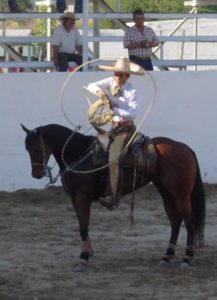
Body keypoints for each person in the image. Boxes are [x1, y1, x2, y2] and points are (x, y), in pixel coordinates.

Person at [87, 57, 145, 211]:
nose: (117, 77)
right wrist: (101, 93)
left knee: (113, 159)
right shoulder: (110, 82)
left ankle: (113, 197)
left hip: (126, 129)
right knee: (96, 151)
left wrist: (114, 108)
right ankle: (99, 188)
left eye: (121, 74)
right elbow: (91, 86)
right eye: (116, 73)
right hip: (114, 127)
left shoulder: (132, 92)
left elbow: (132, 114)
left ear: (128, 76)